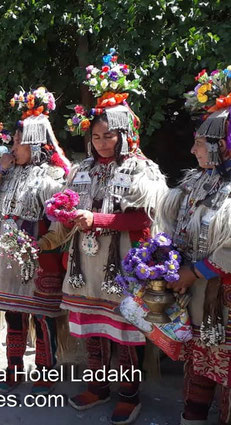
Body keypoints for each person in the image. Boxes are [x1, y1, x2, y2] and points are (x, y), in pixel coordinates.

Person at [42, 50, 167, 424]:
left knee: (123, 330)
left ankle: (129, 393)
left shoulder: (142, 169)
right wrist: (61, 218)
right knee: (92, 327)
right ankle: (98, 386)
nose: (101, 142)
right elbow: (69, 210)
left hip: (123, 264)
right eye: (95, 136)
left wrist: (95, 217)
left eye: (108, 135)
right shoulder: (81, 170)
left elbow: (143, 219)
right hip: (86, 263)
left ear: (125, 133)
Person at [0, 86, 70, 393]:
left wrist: (42, 244)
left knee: (42, 318)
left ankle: (45, 370)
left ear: (35, 144)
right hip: (6, 257)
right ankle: (14, 366)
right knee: (13, 314)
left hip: (39, 257)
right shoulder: (8, 174)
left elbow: (61, 224)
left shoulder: (51, 178)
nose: (12, 146)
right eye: (13, 141)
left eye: (19, 142)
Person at [157, 66, 231, 425]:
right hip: (196, 295)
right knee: (198, 359)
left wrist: (194, 272)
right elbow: (174, 225)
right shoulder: (196, 183)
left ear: (222, 145)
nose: (192, 149)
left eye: (200, 142)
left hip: (222, 296)